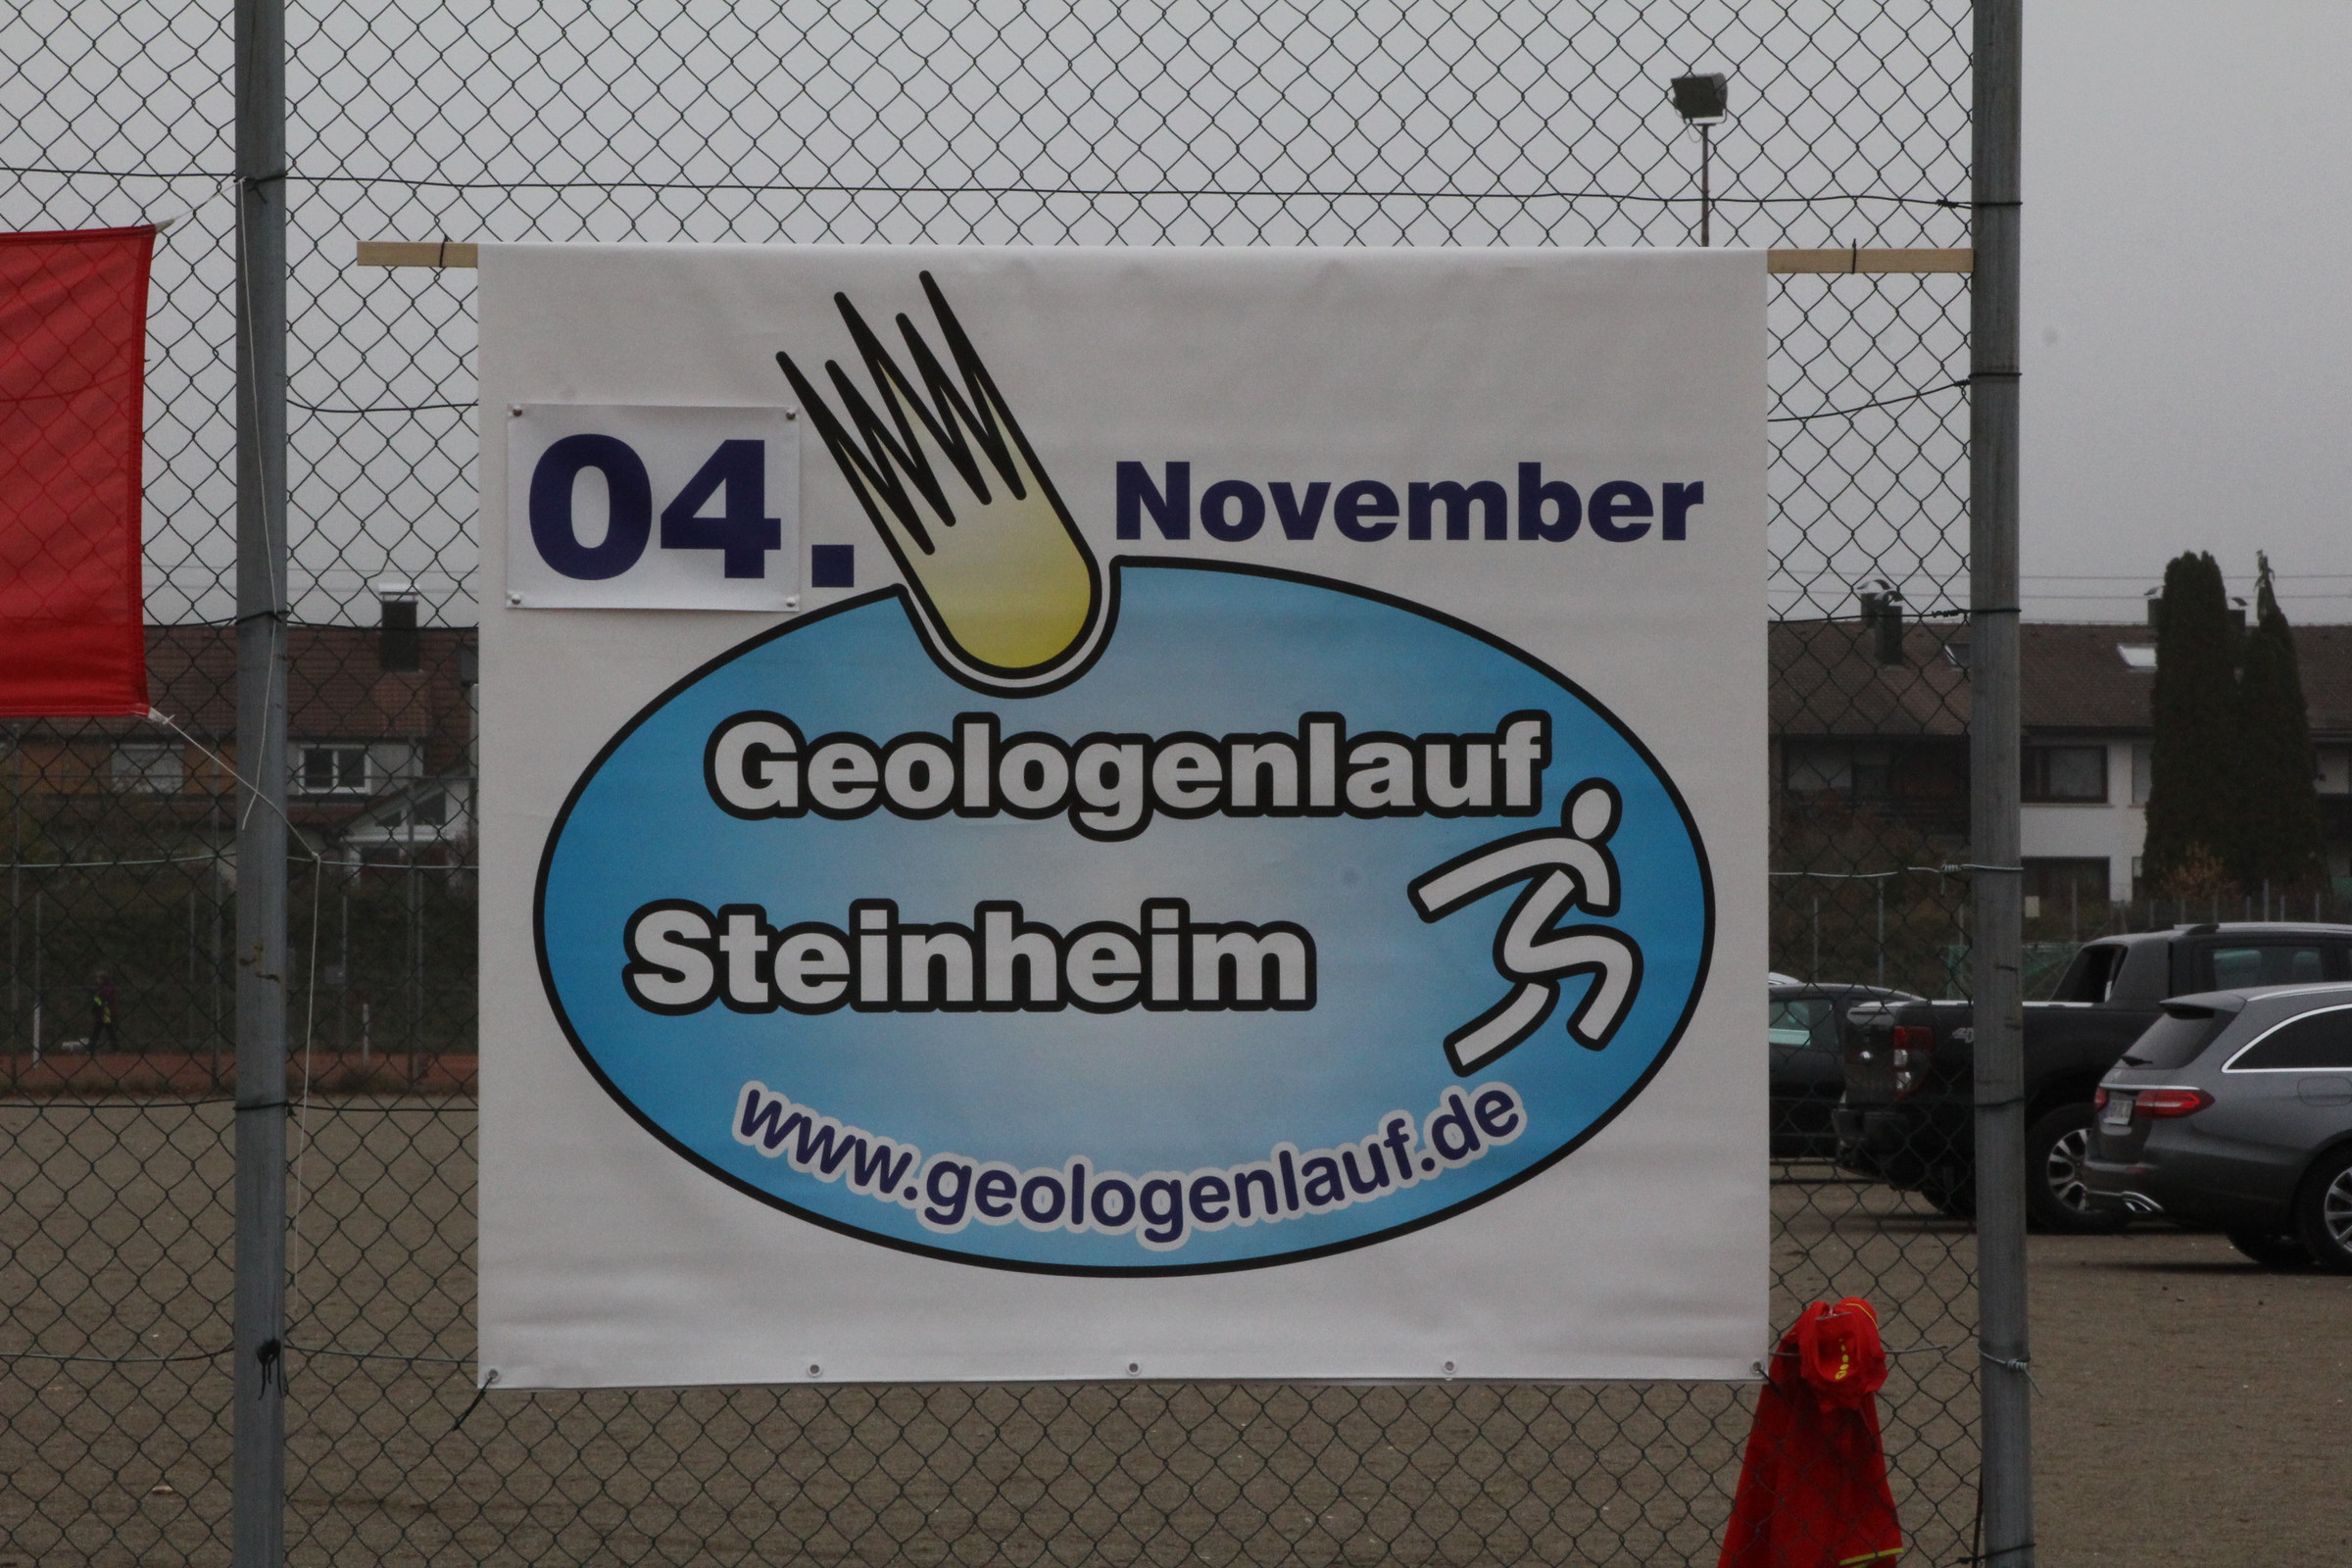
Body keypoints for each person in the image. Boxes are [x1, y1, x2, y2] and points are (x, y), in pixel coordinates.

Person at [87, 971, 119, 1052]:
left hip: (104, 1012)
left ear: (102, 979)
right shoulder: (109, 988)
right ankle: (116, 1048)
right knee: (108, 1030)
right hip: (106, 1012)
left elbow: (101, 1001)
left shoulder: (104, 989)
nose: (97, 980)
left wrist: (95, 999)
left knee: (97, 1030)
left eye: (98, 979)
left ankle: (90, 1048)